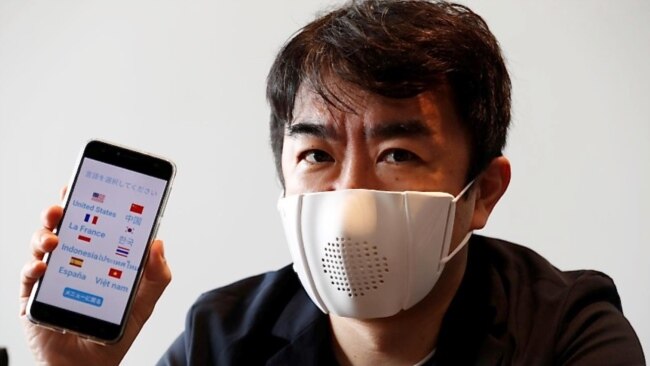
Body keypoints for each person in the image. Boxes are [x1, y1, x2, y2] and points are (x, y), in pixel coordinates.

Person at [20, 0, 645, 365]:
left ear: (482, 192)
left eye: (397, 153)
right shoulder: (223, 339)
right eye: (317, 154)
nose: (350, 191)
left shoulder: (565, 332)